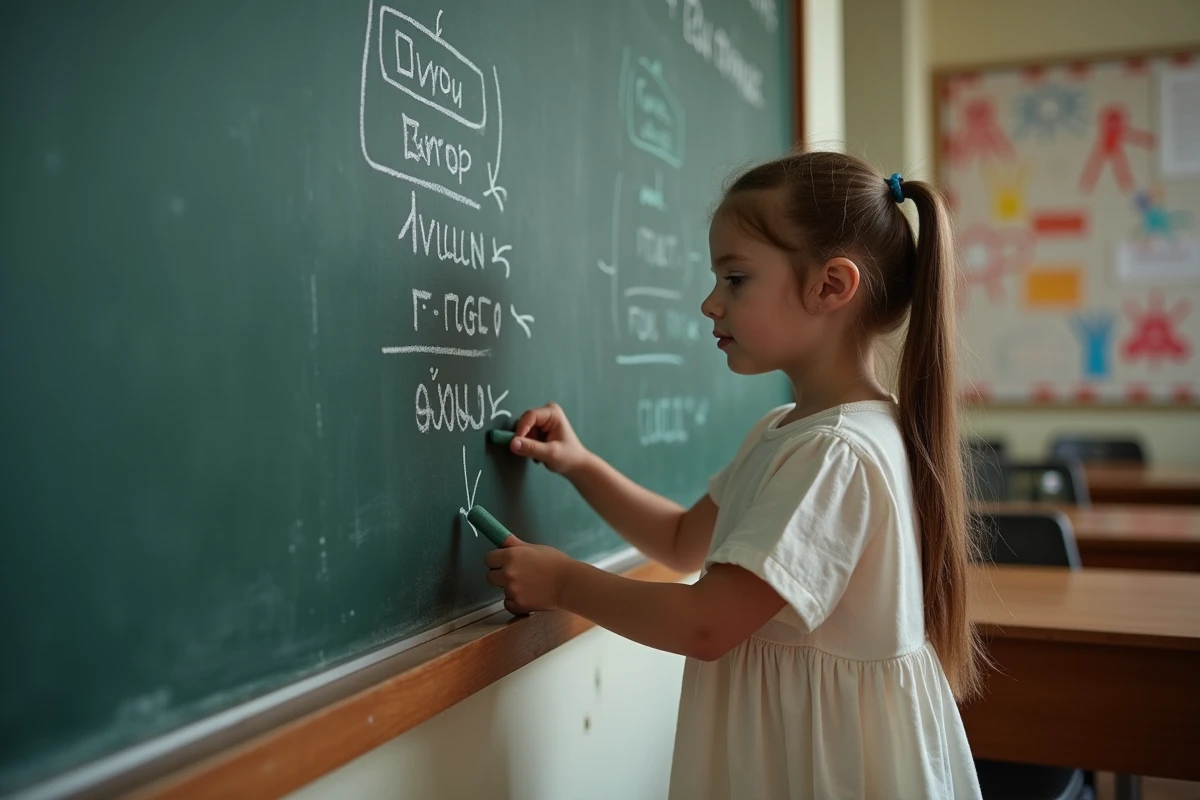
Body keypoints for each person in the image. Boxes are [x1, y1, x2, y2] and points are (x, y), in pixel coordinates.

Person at [483, 151, 983, 799]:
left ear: (831, 286)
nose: (709, 302)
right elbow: (682, 540)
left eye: (736, 279)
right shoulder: (788, 431)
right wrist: (579, 464)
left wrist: (562, 582)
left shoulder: (835, 454)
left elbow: (708, 623)